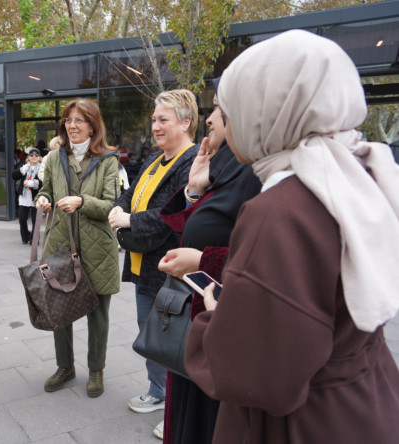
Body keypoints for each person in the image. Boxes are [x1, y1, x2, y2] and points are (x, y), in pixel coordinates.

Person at [185, 30, 399, 443]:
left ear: (265, 112)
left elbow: (254, 373)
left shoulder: (281, 210)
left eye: (229, 112)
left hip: (304, 424)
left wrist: (213, 318)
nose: (223, 124)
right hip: (366, 399)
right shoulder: (360, 174)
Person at [156, 79, 261, 444]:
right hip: (199, 318)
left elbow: (265, 265)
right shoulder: (227, 166)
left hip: (222, 326)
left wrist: (203, 260)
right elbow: (201, 225)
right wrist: (195, 190)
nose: (211, 120)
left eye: (219, 110)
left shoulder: (256, 171)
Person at [108, 89, 198, 438]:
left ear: (186, 122)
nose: (155, 126)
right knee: (152, 336)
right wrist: (119, 208)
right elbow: (130, 195)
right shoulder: (154, 159)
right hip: (145, 267)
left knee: (173, 340)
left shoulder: (190, 163)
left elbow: (173, 215)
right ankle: (159, 392)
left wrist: (131, 221)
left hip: (171, 268)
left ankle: (176, 409)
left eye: (163, 120)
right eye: (153, 120)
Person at [35, 98, 120, 398]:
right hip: (61, 242)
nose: (72, 126)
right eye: (69, 120)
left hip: (97, 249)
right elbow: (46, 189)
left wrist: (82, 202)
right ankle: (65, 366)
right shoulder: (55, 157)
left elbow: (111, 204)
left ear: (93, 125)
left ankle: (96, 369)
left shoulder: (109, 159)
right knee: (61, 309)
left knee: (98, 314)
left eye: (79, 120)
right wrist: (43, 200)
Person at [12, 146, 42, 244]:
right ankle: (26, 237)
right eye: (31, 155)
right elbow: (14, 176)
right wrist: (23, 169)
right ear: (28, 157)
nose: (34, 157)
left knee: (35, 221)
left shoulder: (42, 168)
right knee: (22, 219)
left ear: (39, 157)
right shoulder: (23, 166)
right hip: (24, 197)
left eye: (36, 155)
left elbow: (44, 182)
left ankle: (34, 239)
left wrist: (31, 183)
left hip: (36, 197)